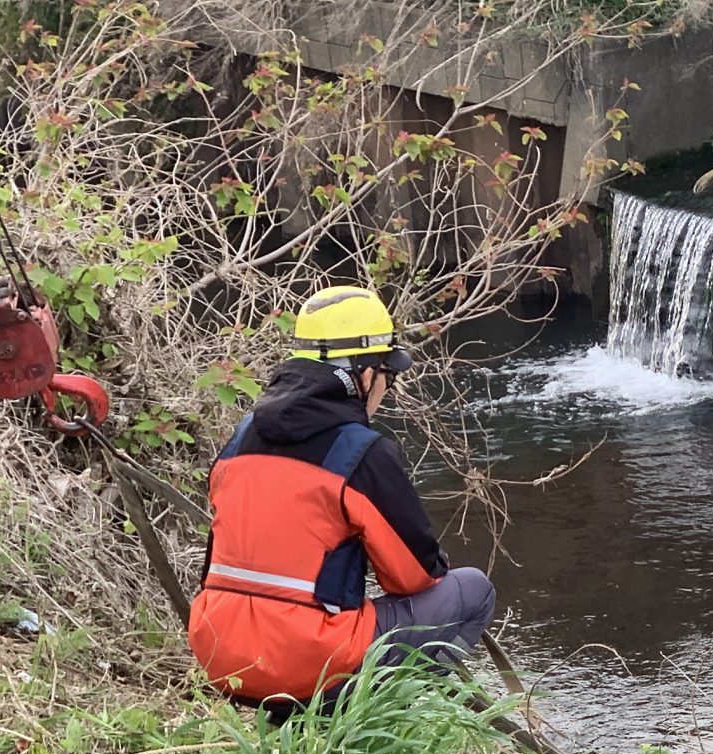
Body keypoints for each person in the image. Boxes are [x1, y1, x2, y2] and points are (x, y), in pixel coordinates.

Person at [187, 285, 495, 709]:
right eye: (389, 373)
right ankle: (380, 716)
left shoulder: (240, 438)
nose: (388, 387)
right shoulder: (359, 453)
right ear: (365, 374)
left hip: (220, 655)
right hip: (307, 665)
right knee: (472, 590)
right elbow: (413, 578)